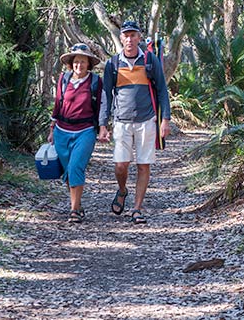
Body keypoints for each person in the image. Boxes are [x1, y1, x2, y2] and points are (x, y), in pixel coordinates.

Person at [98, 20, 171, 224]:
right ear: (121, 38)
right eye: (126, 36)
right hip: (121, 121)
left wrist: (165, 119)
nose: (129, 39)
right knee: (121, 165)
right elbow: (106, 95)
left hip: (147, 121)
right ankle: (122, 190)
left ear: (139, 38)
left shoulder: (149, 60)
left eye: (133, 35)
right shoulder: (113, 63)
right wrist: (103, 124)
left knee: (143, 165)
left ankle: (137, 208)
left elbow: (162, 89)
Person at [48, 43, 103, 223]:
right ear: (71, 64)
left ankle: (73, 210)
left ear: (89, 64)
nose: (79, 65)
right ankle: (77, 204)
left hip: (85, 131)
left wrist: (102, 127)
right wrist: (51, 129)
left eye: (83, 61)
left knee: (75, 167)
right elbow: (58, 105)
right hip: (62, 131)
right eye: (76, 61)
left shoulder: (95, 82)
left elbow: (101, 106)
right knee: (67, 171)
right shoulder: (64, 79)